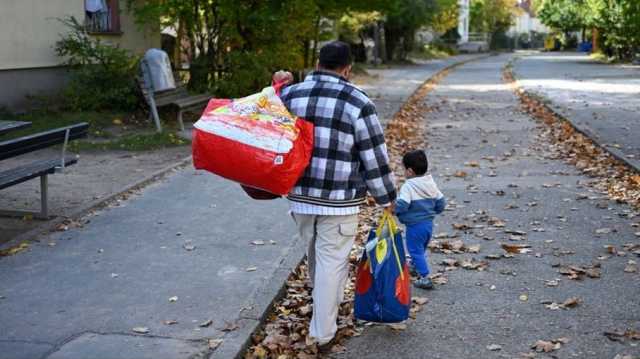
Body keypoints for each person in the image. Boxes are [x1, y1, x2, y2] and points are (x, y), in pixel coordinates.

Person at [274, 41, 396, 350]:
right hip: (339, 201)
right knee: (331, 261)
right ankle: (323, 334)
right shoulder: (358, 103)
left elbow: (267, 124)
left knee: (318, 256)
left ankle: (324, 309)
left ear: (317, 62)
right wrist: (386, 197)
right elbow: (374, 157)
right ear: (348, 69)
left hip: (299, 196)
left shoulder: (291, 95)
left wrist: (277, 85)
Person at [394, 150, 445, 290]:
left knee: (415, 250)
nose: (403, 172)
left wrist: (393, 209)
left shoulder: (408, 186)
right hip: (428, 224)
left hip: (415, 226)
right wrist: (435, 211)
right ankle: (415, 267)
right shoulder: (430, 183)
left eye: (403, 169)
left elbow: (403, 204)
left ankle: (425, 277)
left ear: (409, 171)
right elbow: (441, 202)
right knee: (420, 249)